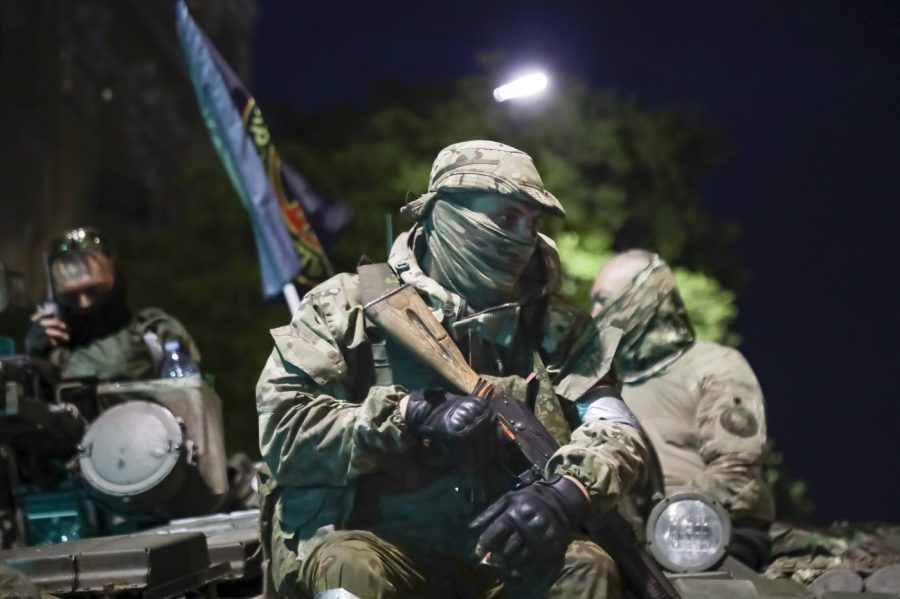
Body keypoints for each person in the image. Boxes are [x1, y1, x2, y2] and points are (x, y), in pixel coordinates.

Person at [256, 140, 649, 598]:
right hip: (390, 548)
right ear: (445, 214)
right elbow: (284, 431)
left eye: (533, 223)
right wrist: (407, 415)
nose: (523, 238)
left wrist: (566, 494)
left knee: (588, 567)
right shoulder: (344, 309)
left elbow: (617, 428)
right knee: (346, 566)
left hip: (513, 558)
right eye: (505, 219)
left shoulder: (558, 327)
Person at [590, 249, 774, 569]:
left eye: (603, 301)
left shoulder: (713, 365)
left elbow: (737, 469)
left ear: (642, 297)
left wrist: (663, 521)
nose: (593, 314)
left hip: (704, 535)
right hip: (621, 538)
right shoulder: (602, 382)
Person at [24, 226, 199, 380]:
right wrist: (35, 358)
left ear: (117, 281)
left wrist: (52, 358)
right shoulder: (53, 343)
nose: (84, 304)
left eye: (95, 291)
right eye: (70, 296)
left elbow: (108, 365)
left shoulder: (154, 333)